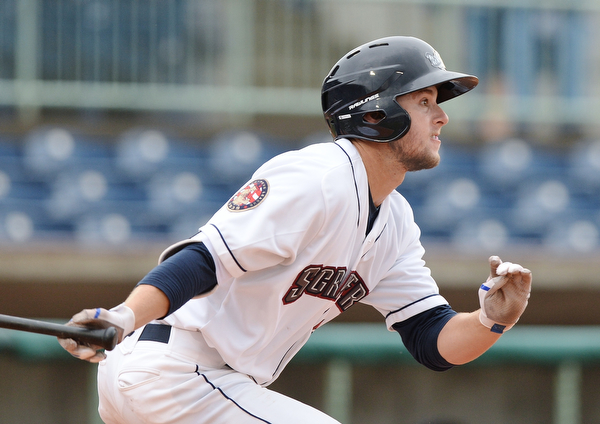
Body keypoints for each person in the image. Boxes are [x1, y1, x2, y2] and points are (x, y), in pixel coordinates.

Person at [59, 36, 532, 424]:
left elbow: (431, 339)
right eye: (425, 101)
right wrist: (124, 316)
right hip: (176, 369)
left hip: (205, 381)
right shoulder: (318, 177)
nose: (442, 116)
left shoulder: (395, 222)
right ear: (374, 114)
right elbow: (204, 260)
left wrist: (493, 319)